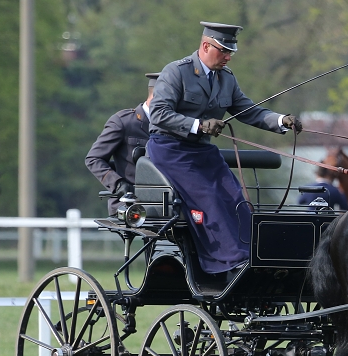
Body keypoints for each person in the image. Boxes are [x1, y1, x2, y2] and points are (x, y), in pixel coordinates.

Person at [147, 21, 302, 275]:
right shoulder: (176, 72)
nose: (229, 56)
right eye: (224, 50)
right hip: (170, 149)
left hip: (202, 152)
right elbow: (159, 114)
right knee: (210, 197)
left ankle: (253, 255)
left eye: (231, 51)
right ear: (206, 46)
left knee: (234, 195)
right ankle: (230, 264)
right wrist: (199, 125)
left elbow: (249, 111)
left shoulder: (226, 79)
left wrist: (280, 120)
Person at [85, 72, 160, 216]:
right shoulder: (124, 122)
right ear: (156, 97)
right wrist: (117, 184)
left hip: (166, 203)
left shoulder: (173, 125)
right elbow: (93, 159)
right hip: (130, 204)